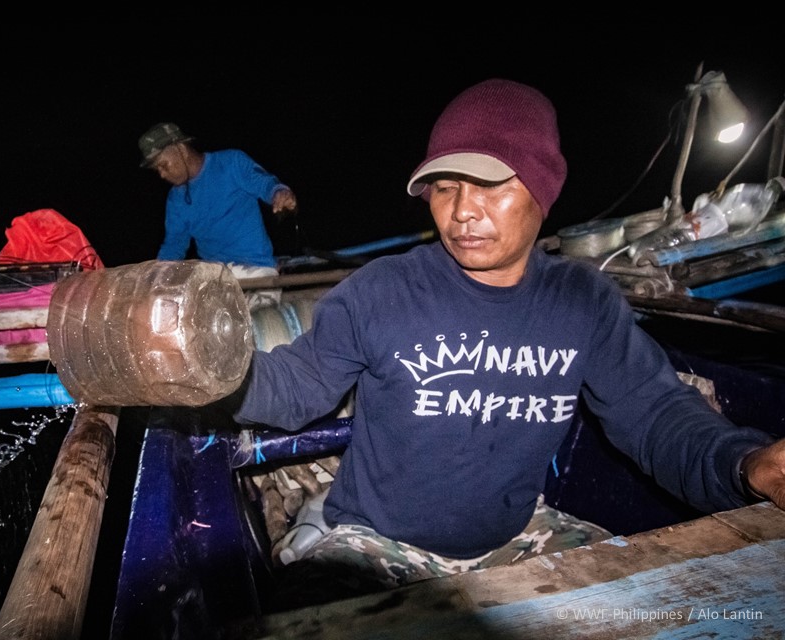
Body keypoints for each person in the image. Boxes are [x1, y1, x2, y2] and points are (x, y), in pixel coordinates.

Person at [227, 79, 785, 607]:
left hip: (519, 535)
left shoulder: (582, 302)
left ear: (542, 187)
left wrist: (743, 463)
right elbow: (295, 385)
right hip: (379, 543)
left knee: (664, 608)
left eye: (489, 184)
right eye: (445, 187)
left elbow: (656, 415)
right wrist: (210, 368)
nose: (462, 209)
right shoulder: (382, 291)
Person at [138, 122, 297, 311]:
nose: (162, 174)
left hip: (256, 273)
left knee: (256, 327)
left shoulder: (231, 163)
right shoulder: (176, 199)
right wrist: (154, 280)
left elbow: (264, 183)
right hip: (214, 281)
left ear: (181, 149)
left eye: (164, 165)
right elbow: (174, 246)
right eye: (158, 170)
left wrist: (279, 193)